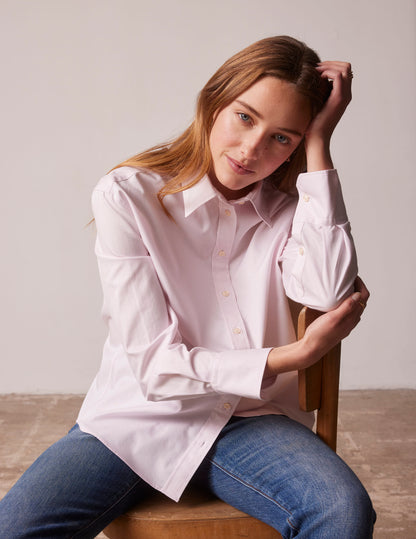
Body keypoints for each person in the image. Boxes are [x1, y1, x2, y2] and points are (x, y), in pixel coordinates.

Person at [0, 35, 375, 537]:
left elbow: (328, 292)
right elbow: (155, 368)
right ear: (214, 102)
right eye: (245, 117)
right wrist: (291, 357)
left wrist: (320, 143)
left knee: (341, 510)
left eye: (282, 138)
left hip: (251, 420)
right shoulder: (128, 195)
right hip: (137, 419)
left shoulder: (295, 213)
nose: (251, 149)